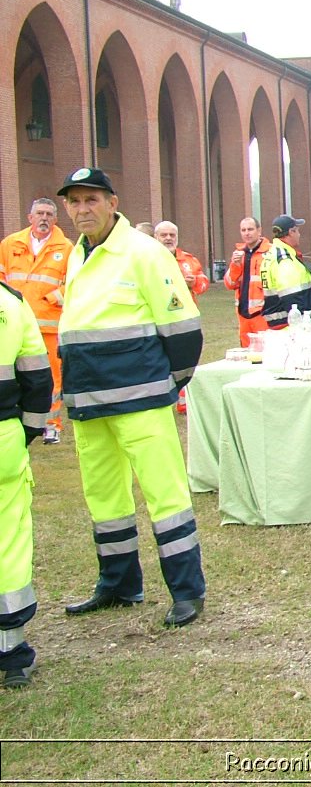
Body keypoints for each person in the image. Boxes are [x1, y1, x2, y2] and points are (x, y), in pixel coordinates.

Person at [56, 167, 206, 628]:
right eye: (75, 202)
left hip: (141, 401)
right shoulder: (76, 255)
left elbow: (183, 332)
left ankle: (186, 591)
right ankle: (119, 583)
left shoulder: (144, 253)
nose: (83, 210)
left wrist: (166, 384)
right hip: (88, 402)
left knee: (166, 495)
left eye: (92, 200)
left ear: (112, 202)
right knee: (104, 497)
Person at [0, 281, 53, 687]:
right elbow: (37, 377)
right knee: (8, 543)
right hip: (3, 440)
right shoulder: (10, 303)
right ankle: (12, 651)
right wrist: (28, 433)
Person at [0, 198, 72, 444]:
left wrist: (50, 297)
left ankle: (51, 424)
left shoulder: (66, 248)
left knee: (49, 378)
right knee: (10, 373)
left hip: (47, 326)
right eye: (39, 213)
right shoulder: (10, 244)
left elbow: (74, 284)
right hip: (11, 325)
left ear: (55, 219)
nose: (44, 218)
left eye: (49, 214)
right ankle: (16, 417)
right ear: (29, 217)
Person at [260, 215, 311, 329]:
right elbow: (292, 299)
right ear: (291, 232)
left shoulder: (272, 254)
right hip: (290, 327)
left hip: (278, 324)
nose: (299, 235)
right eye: (297, 231)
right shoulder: (285, 259)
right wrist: (303, 326)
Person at [223, 217, 270, 348]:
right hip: (243, 314)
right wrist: (235, 265)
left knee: (265, 353)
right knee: (246, 356)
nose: (247, 233)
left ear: (259, 231)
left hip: (264, 313)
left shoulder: (270, 252)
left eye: (250, 229)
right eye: (243, 230)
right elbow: (229, 284)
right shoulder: (238, 254)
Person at [153, 221, 210, 297]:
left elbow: (204, 283)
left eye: (172, 235)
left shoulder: (189, 260)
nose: (168, 238)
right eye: (163, 235)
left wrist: (194, 282)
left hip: (185, 308)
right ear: (155, 237)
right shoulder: (146, 259)